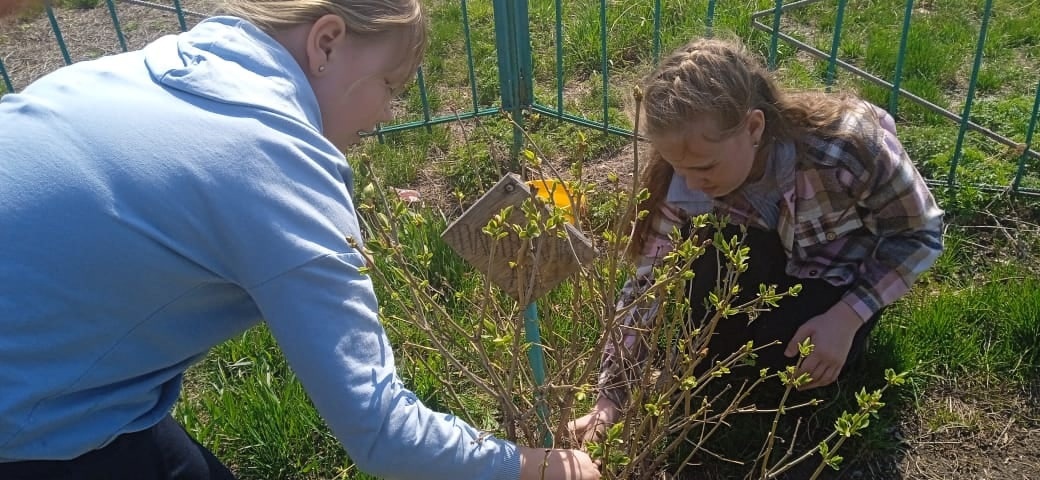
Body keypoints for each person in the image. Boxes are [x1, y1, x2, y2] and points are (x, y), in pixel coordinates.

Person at [0, 1, 600, 479]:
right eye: (391, 85)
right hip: (28, 419)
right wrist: (531, 467)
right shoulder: (273, 162)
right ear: (327, 41)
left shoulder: (151, 67)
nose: (389, 113)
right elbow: (379, 429)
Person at [570, 36, 943, 441]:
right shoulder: (685, 179)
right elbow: (647, 284)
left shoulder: (844, 148)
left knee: (796, 371)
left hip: (836, 285)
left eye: (705, 167)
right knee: (713, 327)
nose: (692, 183)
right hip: (764, 268)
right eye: (680, 167)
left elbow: (918, 233)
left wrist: (847, 318)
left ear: (753, 127)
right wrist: (611, 398)